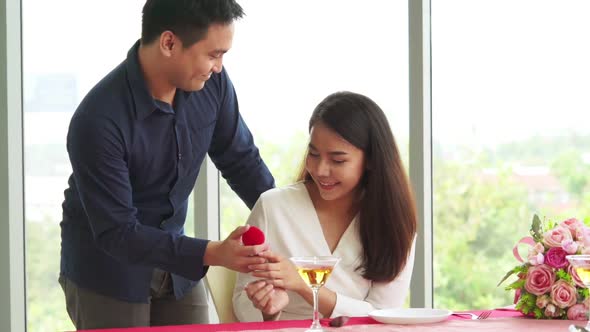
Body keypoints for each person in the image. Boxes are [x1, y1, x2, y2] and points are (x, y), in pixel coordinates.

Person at [59, 0, 274, 329]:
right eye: (213, 54)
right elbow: (118, 233)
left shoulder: (210, 84)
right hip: (107, 270)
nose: (218, 67)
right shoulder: (98, 120)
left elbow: (241, 160)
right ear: (169, 43)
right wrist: (215, 252)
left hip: (177, 265)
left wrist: (285, 219)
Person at [232, 91, 417, 321]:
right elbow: (242, 301)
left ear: (370, 160)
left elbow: (383, 315)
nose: (320, 170)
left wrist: (304, 286)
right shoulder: (273, 207)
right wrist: (269, 309)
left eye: (338, 160)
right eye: (313, 154)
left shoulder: (393, 222)